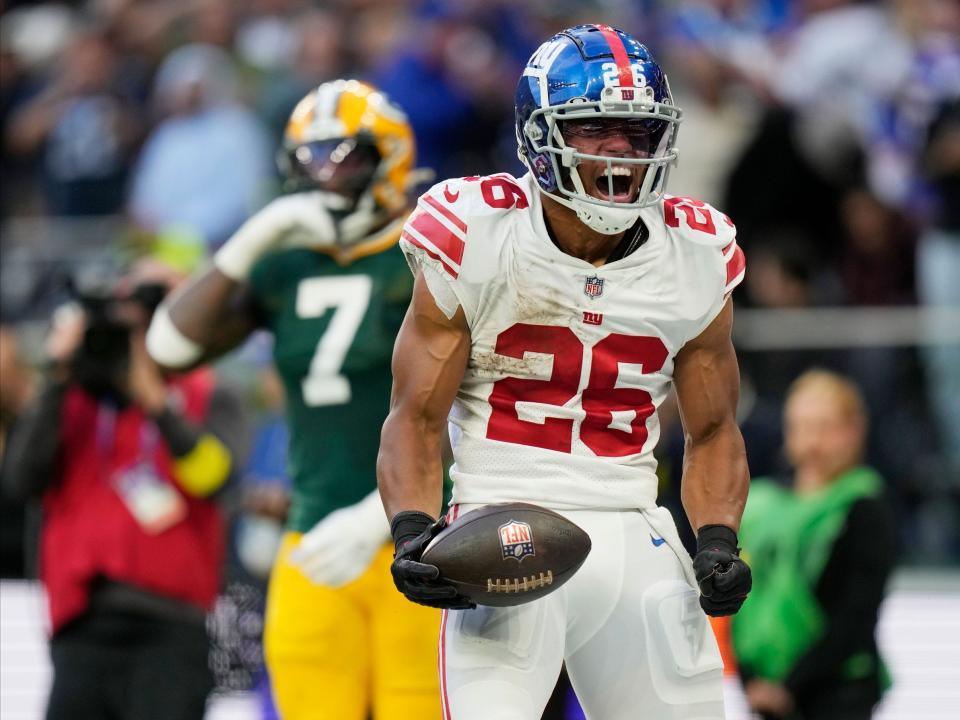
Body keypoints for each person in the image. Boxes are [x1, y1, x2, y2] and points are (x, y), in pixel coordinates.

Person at [379, 24, 754, 720]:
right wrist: (412, 530)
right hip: (499, 518)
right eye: (594, 131)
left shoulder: (697, 248)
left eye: (636, 134)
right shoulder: (476, 230)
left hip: (634, 523)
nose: (620, 153)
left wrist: (718, 539)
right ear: (538, 136)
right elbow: (416, 416)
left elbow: (714, 429)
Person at [146, 79, 442, 720]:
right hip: (311, 533)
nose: (326, 177)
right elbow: (167, 348)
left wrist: (380, 516)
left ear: (389, 157)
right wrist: (256, 236)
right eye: (310, 160)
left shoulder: (429, 251)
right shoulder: (288, 264)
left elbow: (473, 407)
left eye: (345, 157)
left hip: (424, 534)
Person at [3, 261, 247, 720]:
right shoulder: (72, 395)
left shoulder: (210, 394)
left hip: (170, 625)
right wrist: (58, 375)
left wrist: (155, 401)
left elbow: (215, 480)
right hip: (81, 621)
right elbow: (22, 479)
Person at [731, 370, 896, 720]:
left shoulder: (862, 504)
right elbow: (741, 602)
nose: (812, 441)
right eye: (802, 426)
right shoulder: (762, 504)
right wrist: (751, 679)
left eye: (825, 427)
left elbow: (857, 612)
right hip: (768, 690)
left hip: (835, 690)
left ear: (854, 431)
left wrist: (789, 686)